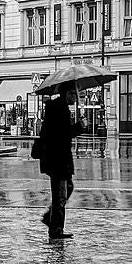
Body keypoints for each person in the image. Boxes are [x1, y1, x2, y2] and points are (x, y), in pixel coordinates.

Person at [38, 82, 84, 240]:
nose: (75, 97)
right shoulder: (59, 109)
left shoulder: (60, 108)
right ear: (67, 93)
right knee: (60, 195)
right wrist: (79, 126)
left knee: (67, 189)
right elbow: (62, 135)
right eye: (73, 93)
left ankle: (50, 218)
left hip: (58, 159)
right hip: (57, 159)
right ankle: (55, 229)